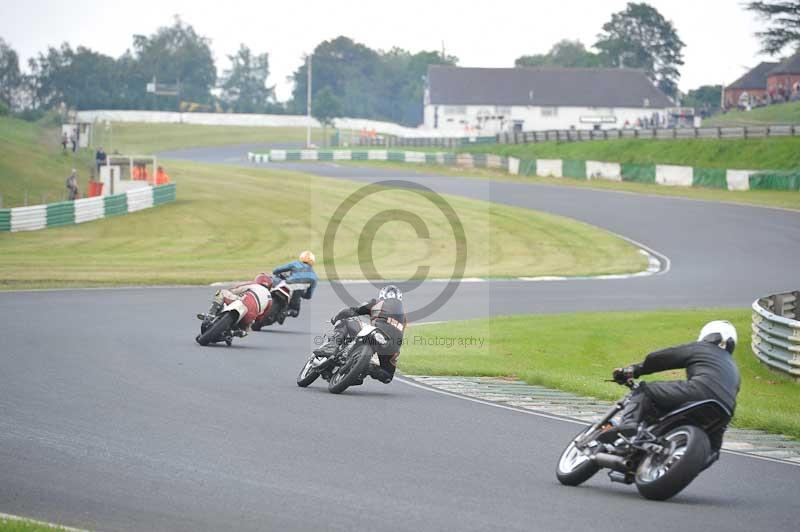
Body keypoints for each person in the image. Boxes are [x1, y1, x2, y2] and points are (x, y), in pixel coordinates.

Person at [612, 320, 741, 467]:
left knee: (646, 390)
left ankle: (627, 428)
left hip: (697, 392)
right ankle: (694, 463)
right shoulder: (734, 368)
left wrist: (634, 370)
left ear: (707, 335)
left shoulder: (702, 348)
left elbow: (662, 358)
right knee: (712, 450)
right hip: (724, 410)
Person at [313, 285, 406, 384]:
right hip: (392, 346)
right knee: (387, 376)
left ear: (382, 295)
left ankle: (332, 346)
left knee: (346, 321)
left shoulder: (376, 302)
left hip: (375, 333)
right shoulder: (404, 317)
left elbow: (352, 311)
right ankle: (367, 369)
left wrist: (335, 318)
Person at [199, 273, 274, 333]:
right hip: (250, 317)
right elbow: (262, 315)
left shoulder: (254, 285)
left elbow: (237, 289)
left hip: (243, 303)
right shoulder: (269, 298)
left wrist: (230, 291)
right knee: (247, 329)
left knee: (221, 292)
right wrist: (255, 320)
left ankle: (211, 314)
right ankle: (236, 332)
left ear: (258, 280)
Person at [272, 250, 318, 317]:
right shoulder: (314, 277)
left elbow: (278, 270)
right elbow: (309, 295)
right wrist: (303, 295)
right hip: (296, 291)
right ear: (312, 261)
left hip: (286, 284)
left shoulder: (295, 264)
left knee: (274, 283)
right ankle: (289, 312)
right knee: (295, 311)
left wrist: (276, 272)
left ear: (301, 258)